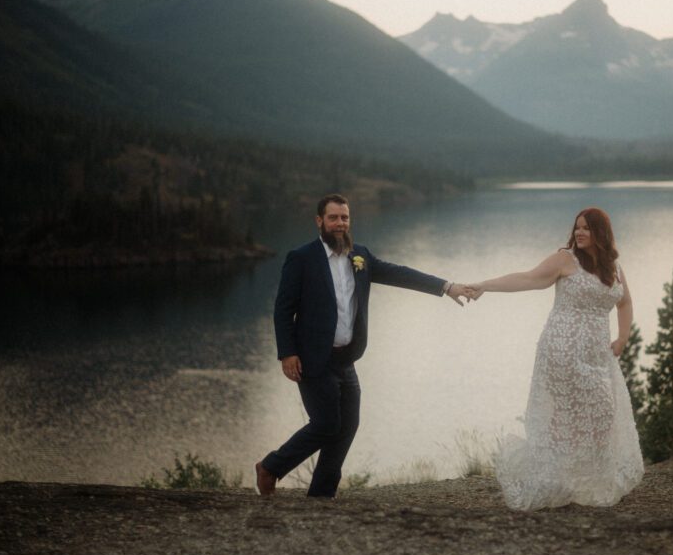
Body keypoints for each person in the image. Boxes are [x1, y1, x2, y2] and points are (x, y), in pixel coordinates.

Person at [256, 194, 473, 498]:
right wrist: (287, 353)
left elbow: (400, 274)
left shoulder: (360, 256)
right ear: (320, 221)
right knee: (327, 423)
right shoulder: (302, 258)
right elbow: (283, 309)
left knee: (347, 427)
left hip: (346, 360)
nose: (340, 223)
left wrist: (446, 287)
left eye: (344, 217)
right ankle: (270, 467)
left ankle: (321, 496)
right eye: (333, 218)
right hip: (312, 359)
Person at [467, 207, 644, 510]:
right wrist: (485, 285)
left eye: (586, 228)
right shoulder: (565, 259)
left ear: (601, 232)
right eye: (577, 227)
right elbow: (528, 278)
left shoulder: (614, 268)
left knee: (599, 413)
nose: (579, 233)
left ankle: (585, 482)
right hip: (562, 349)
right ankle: (563, 483)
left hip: (597, 354)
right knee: (578, 416)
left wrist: (623, 337)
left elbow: (625, 302)